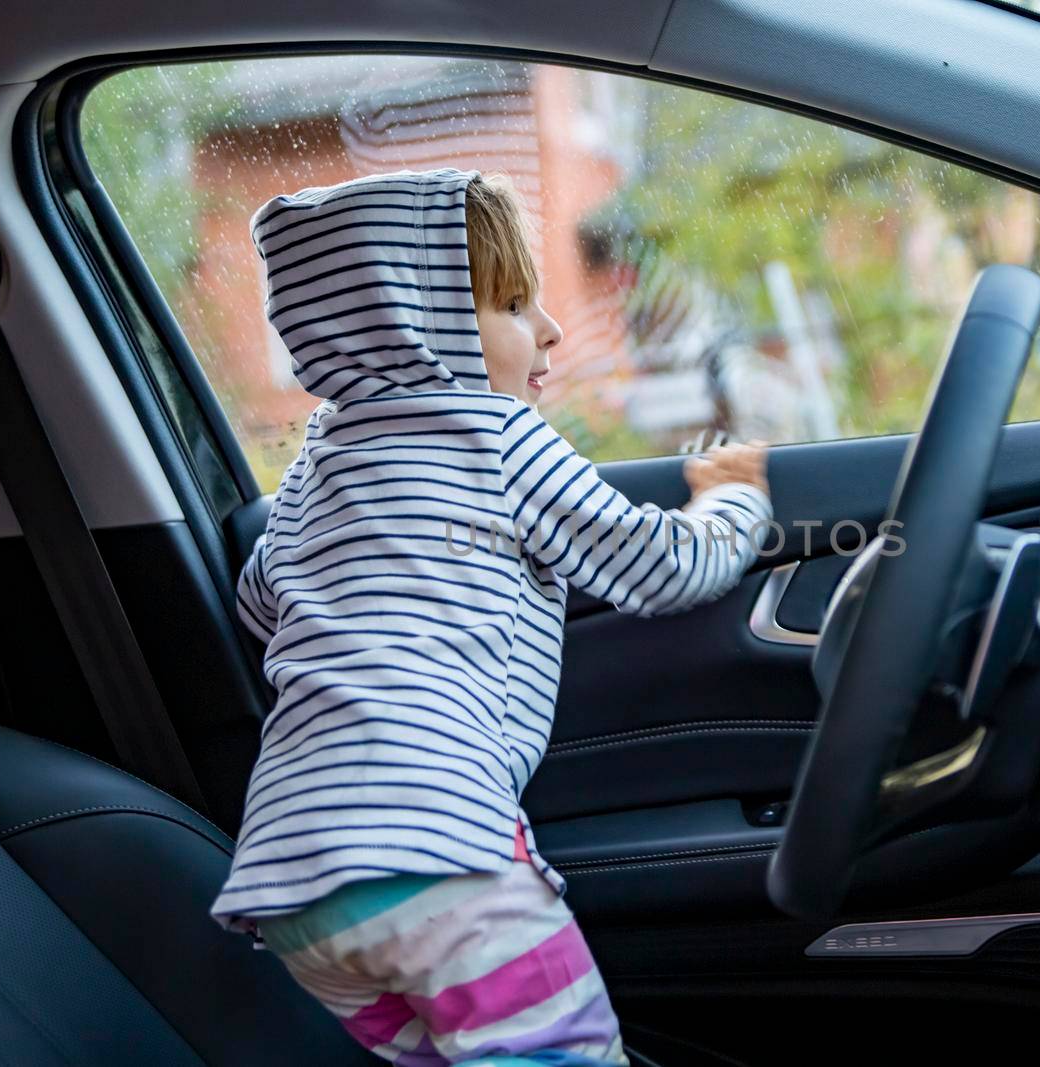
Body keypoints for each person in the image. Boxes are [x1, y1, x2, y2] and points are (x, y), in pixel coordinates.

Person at [210, 167, 773, 1066]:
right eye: (512, 303)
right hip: (435, 846)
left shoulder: (315, 466)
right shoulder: (493, 435)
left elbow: (257, 601)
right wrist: (734, 500)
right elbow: (663, 566)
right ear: (414, 325)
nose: (549, 327)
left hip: (290, 882)